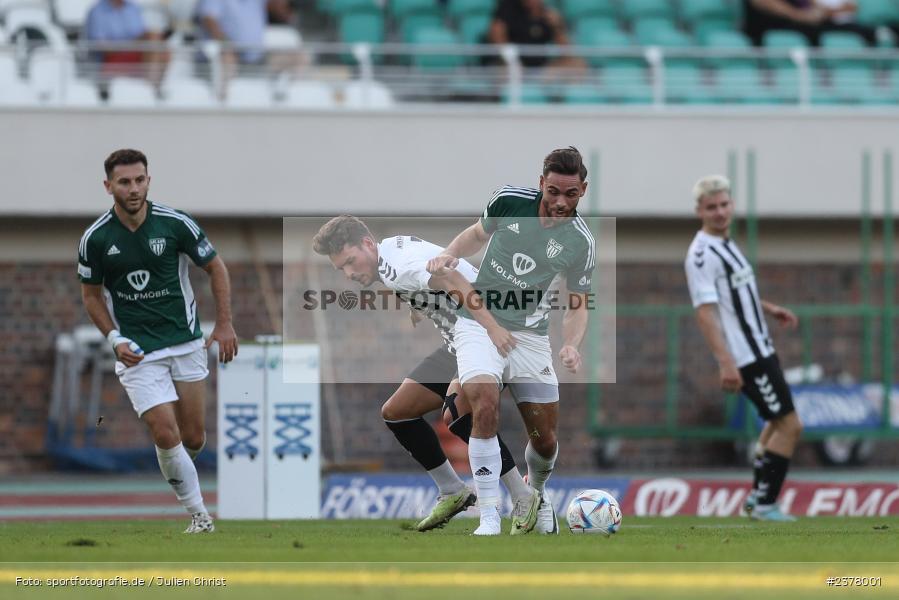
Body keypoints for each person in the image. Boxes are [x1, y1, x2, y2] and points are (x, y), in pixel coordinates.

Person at [311, 216, 535, 532]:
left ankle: (521, 494)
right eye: (341, 269)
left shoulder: (398, 266)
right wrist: (420, 304)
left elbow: (453, 278)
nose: (349, 273)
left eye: (350, 262)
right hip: (459, 340)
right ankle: (452, 490)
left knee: (456, 413)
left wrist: (494, 329)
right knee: (397, 413)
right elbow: (434, 265)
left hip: (486, 331)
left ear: (366, 244)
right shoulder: (389, 250)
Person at [427, 146, 596, 536]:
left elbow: (577, 305)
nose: (559, 201)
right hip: (478, 324)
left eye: (569, 194)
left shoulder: (580, 242)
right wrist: (449, 255)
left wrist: (572, 344)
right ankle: (488, 517)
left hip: (530, 338)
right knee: (483, 401)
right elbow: (475, 234)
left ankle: (535, 495)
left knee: (546, 439)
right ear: (541, 183)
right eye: (552, 191)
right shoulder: (508, 201)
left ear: (582, 191)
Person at [78, 149, 238, 533]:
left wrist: (225, 324)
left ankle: (173, 461)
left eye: (139, 180)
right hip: (137, 353)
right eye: (124, 182)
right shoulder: (96, 239)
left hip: (185, 343)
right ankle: (200, 516)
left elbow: (215, 266)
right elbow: (91, 296)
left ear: (148, 180)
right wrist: (114, 337)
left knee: (193, 437)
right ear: (108, 186)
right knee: (165, 432)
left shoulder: (174, 223)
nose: (133, 189)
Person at [685, 175, 803, 522]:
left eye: (724, 204)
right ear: (699, 211)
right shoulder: (702, 254)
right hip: (745, 356)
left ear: (731, 205)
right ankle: (764, 504)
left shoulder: (727, 243)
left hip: (761, 347)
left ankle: (756, 500)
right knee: (790, 425)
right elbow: (705, 312)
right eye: (711, 207)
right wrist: (726, 362)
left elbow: (734, 296)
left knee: (775, 422)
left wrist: (769, 308)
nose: (720, 212)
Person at [485, 0, 585, 70]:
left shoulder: (548, 12)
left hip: (541, 69)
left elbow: (566, 53)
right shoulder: (508, 7)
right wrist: (513, 62)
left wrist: (557, 27)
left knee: (579, 65)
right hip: (511, 65)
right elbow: (496, 34)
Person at [84, 0, 167, 83]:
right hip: (111, 58)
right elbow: (100, 46)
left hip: (136, 52)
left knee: (156, 41)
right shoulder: (97, 11)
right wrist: (126, 46)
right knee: (153, 45)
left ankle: (153, 85)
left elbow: (140, 33)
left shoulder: (133, 7)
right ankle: (153, 86)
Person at [743, 0, 876, 46]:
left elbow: (813, 7)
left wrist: (819, 13)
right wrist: (798, 15)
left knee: (855, 30)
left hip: (803, 24)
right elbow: (763, 2)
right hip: (774, 26)